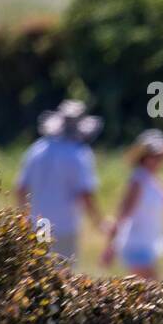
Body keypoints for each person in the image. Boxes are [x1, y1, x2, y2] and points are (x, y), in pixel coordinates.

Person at [14, 100, 106, 264]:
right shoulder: (79, 154)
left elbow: (20, 188)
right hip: (64, 226)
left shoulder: (37, 149)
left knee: (41, 271)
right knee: (63, 275)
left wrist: (23, 219)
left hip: (40, 223)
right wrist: (99, 222)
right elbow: (85, 194)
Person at [103, 130, 163, 280]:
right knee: (154, 289)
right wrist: (110, 248)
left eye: (161, 156)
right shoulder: (138, 180)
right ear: (144, 157)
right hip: (135, 244)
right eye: (154, 156)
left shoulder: (155, 179)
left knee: (148, 293)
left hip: (147, 245)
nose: (158, 160)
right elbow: (123, 213)